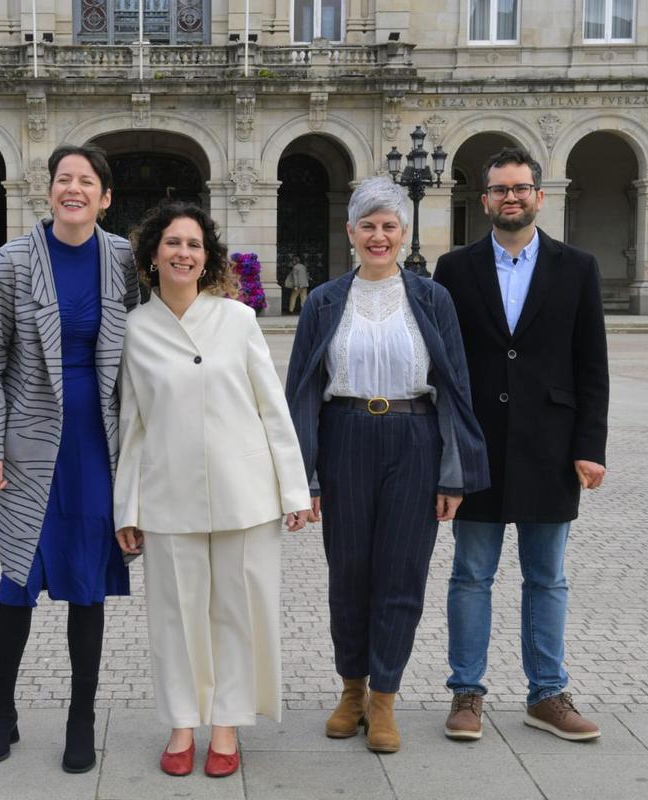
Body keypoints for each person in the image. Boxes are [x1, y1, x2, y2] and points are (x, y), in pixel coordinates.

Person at [285, 177, 489, 754]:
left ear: (403, 233)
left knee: (401, 575)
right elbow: (301, 389)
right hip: (344, 432)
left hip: (414, 437)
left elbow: (455, 387)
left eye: (389, 226)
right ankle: (351, 690)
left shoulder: (432, 298)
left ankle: (384, 700)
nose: (379, 236)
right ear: (350, 232)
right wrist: (307, 474)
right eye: (368, 226)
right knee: (348, 573)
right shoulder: (326, 300)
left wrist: (454, 471)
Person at [113, 202, 312, 779]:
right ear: (153, 257)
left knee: (239, 613)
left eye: (195, 245)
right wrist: (126, 506)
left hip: (244, 493)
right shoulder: (134, 329)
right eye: (172, 243)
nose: (184, 253)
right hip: (167, 496)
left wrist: (294, 491)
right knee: (175, 616)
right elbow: (133, 425)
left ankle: (225, 724)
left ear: (208, 257)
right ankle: (181, 723)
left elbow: (272, 408)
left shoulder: (238, 319)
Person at [0, 143, 138, 774]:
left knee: (87, 581)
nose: (74, 189)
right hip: (29, 438)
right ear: (49, 191)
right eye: (64, 179)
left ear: (105, 197)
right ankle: (2, 712)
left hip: (98, 438)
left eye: (86, 181)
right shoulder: (13, 261)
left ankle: (80, 720)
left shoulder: (123, 258)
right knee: (18, 579)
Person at [433, 146, 609, 743]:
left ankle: (547, 694)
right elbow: (444, 368)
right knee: (471, 574)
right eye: (500, 189)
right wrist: (446, 453)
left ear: (539, 195)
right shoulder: (455, 269)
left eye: (521, 187)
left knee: (547, 577)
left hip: (551, 448)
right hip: (478, 448)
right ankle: (467, 692)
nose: (511, 197)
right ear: (484, 199)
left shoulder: (577, 267)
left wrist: (591, 445)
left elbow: (592, 366)